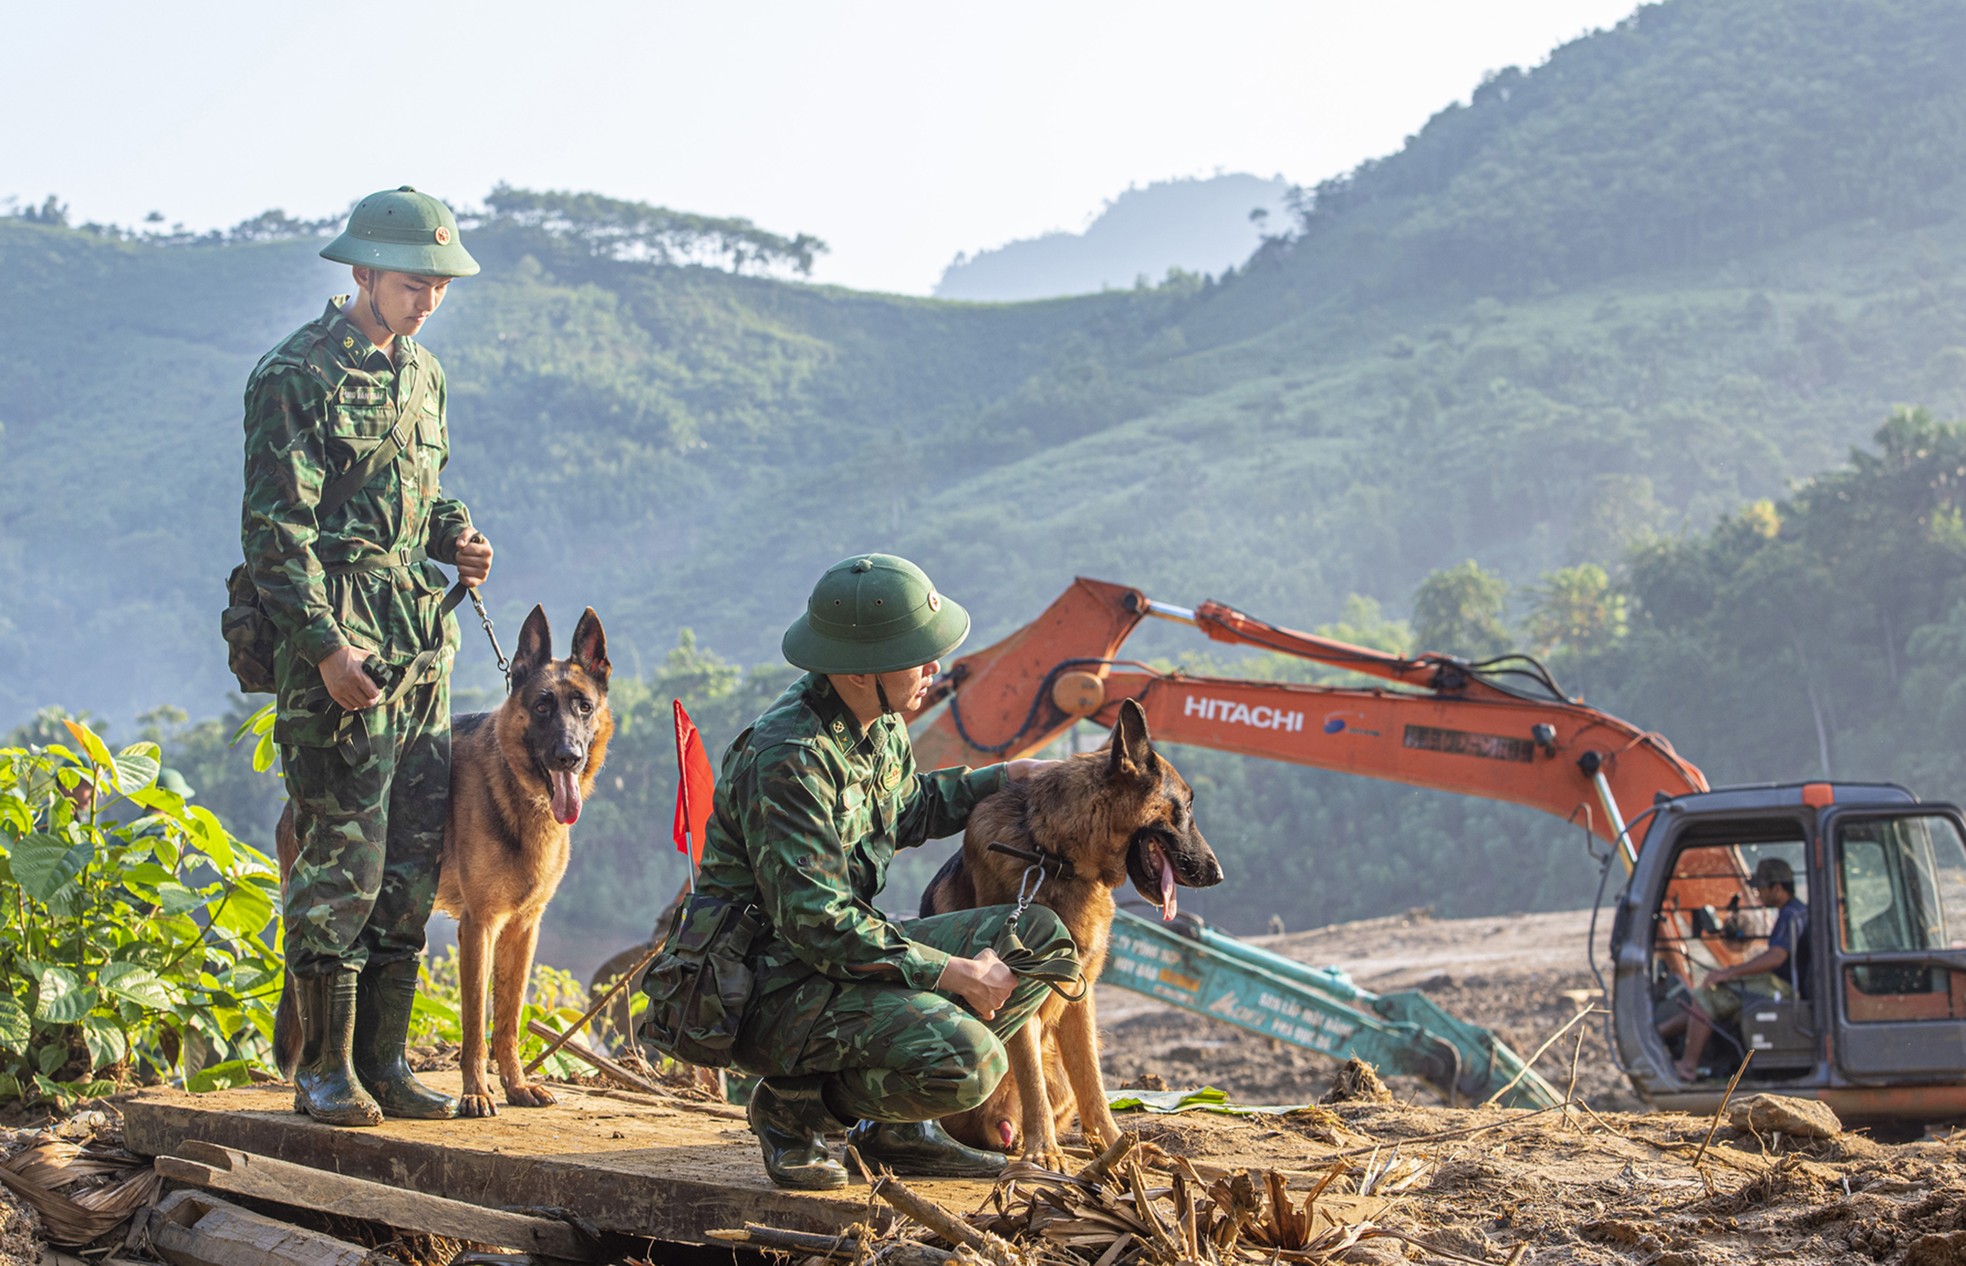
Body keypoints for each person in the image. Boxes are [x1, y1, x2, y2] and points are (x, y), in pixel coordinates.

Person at [694, 553, 1079, 1189]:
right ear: (858, 670)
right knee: (968, 1063)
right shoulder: (788, 759)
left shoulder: (877, 723)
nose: (935, 668)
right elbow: (818, 926)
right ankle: (793, 1109)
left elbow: (906, 808)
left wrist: (1008, 775)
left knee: (1040, 940)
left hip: (836, 960)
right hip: (769, 987)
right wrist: (954, 972)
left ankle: (899, 1129)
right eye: (917, 655)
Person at [242, 186, 491, 1126]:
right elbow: (276, 536)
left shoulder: (422, 378)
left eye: (438, 283)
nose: (426, 298)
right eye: (410, 281)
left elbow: (420, 501)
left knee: (411, 863)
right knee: (340, 858)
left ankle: (385, 1063)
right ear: (362, 274)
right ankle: (323, 1071)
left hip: (420, 643)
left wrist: (458, 535)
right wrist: (324, 651)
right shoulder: (293, 375)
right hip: (337, 640)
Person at [1664, 857, 1808, 1081]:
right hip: (1783, 983)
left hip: (1783, 987)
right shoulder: (1798, 911)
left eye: (1761, 888)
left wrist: (1728, 972)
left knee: (1708, 996)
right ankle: (1662, 1033)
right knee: (1707, 999)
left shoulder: (1789, 915)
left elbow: (1776, 957)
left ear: (1777, 888)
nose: (1758, 894)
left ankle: (1688, 1066)